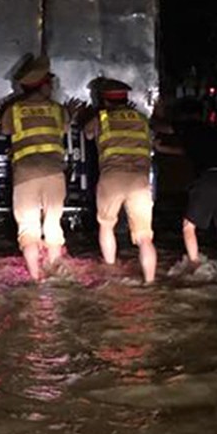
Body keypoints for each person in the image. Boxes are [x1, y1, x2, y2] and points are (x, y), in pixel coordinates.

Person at [156, 102, 217, 274]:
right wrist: (163, 149)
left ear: (185, 116)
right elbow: (189, 151)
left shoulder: (189, 125)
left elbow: (160, 126)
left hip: (210, 177)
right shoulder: (213, 132)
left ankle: (194, 265)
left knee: (189, 226)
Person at [0, 55, 69, 282]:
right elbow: (66, 128)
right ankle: (55, 272)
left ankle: (36, 278)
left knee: (28, 229)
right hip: (54, 174)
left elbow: (6, 131)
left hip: (25, 176)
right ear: (44, 84)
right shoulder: (58, 110)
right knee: (53, 226)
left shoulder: (14, 109)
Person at [81, 78, 157, 284]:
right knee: (144, 237)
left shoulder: (101, 118)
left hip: (112, 177)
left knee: (106, 225)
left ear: (105, 100)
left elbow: (87, 134)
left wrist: (92, 113)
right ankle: (150, 282)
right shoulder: (141, 118)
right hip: (139, 181)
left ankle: (111, 272)